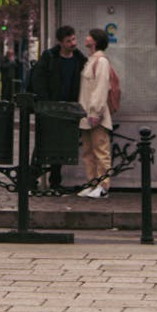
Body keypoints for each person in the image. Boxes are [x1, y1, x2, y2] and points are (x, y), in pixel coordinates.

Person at [27, 25, 87, 194]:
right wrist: (46, 104)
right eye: (69, 41)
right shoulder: (49, 57)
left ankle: (55, 181)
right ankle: (32, 179)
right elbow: (39, 81)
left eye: (74, 39)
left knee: (61, 146)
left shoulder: (79, 59)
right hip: (49, 108)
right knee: (42, 145)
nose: (73, 43)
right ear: (60, 42)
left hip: (67, 109)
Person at [77, 29, 112, 199]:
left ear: (96, 41)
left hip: (95, 115)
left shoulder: (101, 61)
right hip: (86, 114)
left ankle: (103, 186)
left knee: (100, 151)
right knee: (88, 152)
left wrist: (95, 111)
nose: (86, 37)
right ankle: (92, 184)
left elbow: (100, 88)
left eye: (89, 35)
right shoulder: (91, 60)